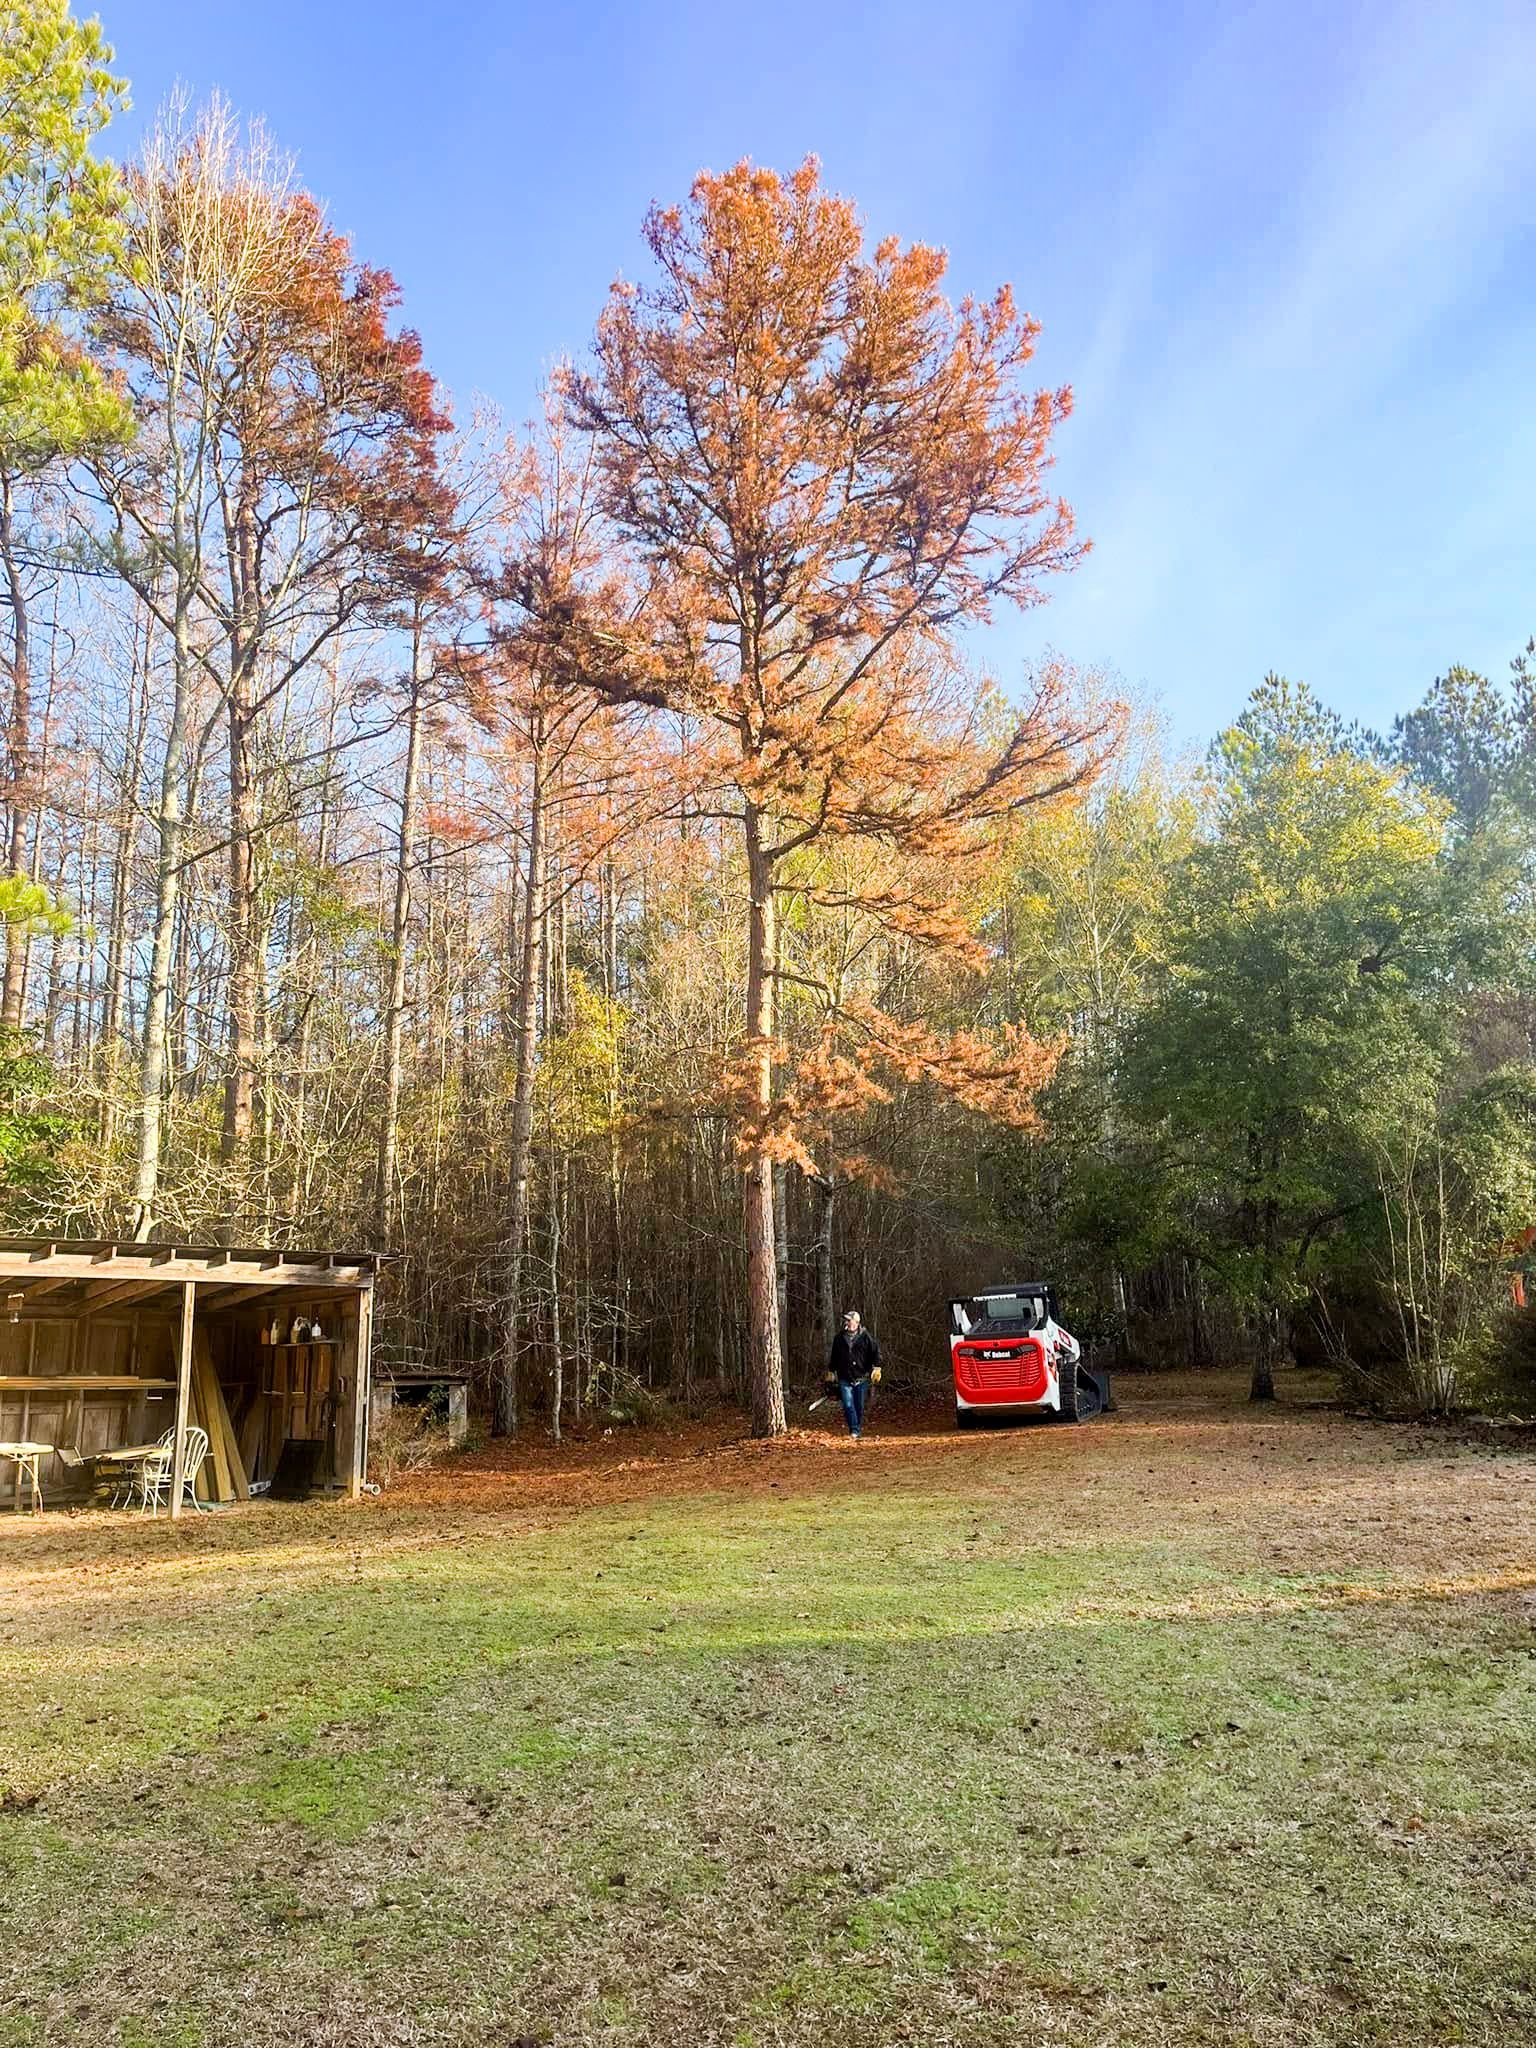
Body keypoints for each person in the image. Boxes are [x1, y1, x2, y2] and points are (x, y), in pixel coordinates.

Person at [825, 1308, 881, 1439]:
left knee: (859, 1406)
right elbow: (834, 1356)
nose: (847, 1323)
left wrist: (877, 1367)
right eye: (846, 1320)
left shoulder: (866, 1337)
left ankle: (856, 1428)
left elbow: (876, 1353)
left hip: (861, 1377)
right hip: (844, 1378)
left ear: (856, 1322)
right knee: (848, 1405)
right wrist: (831, 1371)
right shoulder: (839, 1338)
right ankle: (854, 1430)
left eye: (849, 1320)